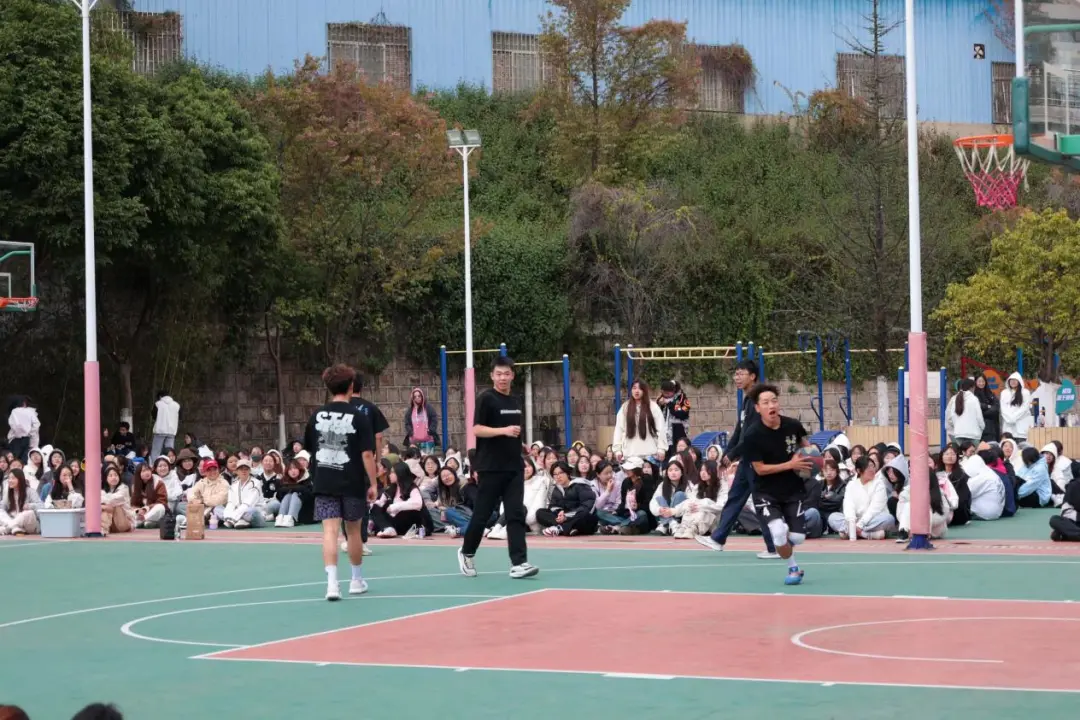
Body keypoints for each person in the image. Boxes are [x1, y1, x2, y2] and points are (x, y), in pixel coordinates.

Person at [457, 356, 539, 580]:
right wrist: (503, 431)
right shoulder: (486, 398)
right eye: (499, 374)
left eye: (507, 374)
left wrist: (521, 445)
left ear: (513, 375)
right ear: (492, 376)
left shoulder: (515, 400)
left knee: (515, 514)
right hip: (490, 467)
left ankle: (519, 563)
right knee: (482, 515)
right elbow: (477, 430)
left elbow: (514, 431)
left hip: (514, 467)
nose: (503, 378)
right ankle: (467, 552)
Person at [303, 364, 377, 601]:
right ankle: (356, 580)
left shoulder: (316, 415)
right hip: (352, 480)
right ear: (351, 386)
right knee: (353, 530)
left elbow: (309, 449)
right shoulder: (359, 416)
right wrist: (374, 483)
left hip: (324, 480)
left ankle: (332, 585)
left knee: (329, 531)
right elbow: (367, 454)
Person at [696, 360, 779, 559]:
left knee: (761, 503)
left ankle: (775, 546)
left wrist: (733, 454)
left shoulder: (759, 400)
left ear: (753, 376)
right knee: (735, 498)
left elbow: (752, 434)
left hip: (758, 459)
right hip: (747, 459)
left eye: (741, 374)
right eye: (735, 374)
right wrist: (727, 453)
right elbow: (739, 431)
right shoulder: (747, 400)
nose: (737, 378)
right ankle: (718, 538)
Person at [733, 383, 814, 585]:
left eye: (774, 401)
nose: (771, 405)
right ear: (757, 408)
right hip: (766, 493)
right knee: (778, 531)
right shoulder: (752, 435)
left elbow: (808, 447)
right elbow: (760, 469)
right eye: (766, 402)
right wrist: (790, 464)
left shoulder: (793, 425)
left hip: (793, 489)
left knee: (798, 537)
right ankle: (793, 568)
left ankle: (787, 550)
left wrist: (812, 457)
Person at [340, 370, 389, 556]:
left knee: (344, 500)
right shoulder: (370, 408)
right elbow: (378, 437)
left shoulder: (338, 408)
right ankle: (360, 541)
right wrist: (377, 461)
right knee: (363, 500)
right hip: (363, 460)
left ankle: (348, 540)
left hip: (341, 460)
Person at [6, 397, 39, 464]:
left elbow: (13, 424)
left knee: (15, 459)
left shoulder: (15, 411)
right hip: (27, 439)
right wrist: (29, 433)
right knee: (24, 460)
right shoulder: (31, 411)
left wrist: (19, 433)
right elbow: (36, 424)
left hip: (16, 438)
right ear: (24, 403)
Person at [151, 390, 181, 461]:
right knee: (170, 451)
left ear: (160, 397)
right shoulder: (177, 405)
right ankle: (170, 464)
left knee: (156, 451)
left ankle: (155, 465)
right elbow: (180, 417)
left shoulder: (158, 404)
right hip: (171, 431)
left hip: (160, 431)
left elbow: (154, 416)